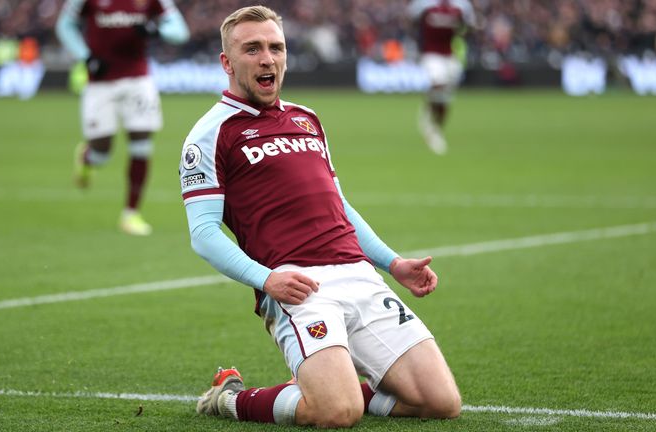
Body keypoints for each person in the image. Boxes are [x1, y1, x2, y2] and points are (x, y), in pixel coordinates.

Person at [179, 6, 461, 428]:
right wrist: (266, 279)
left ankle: (332, 382)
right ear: (227, 62)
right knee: (336, 412)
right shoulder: (210, 134)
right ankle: (229, 398)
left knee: (441, 402)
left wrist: (393, 262)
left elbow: (340, 208)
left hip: (360, 275)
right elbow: (203, 233)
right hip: (298, 286)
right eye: (251, 49)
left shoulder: (306, 119)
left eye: (276, 48)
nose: (266, 58)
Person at [56, 0, 189, 235]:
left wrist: (157, 30)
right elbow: (65, 26)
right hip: (100, 80)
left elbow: (180, 32)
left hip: (138, 80)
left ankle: (131, 214)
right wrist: (85, 57)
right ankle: (88, 158)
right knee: (101, 154)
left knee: (142, 144)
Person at [407, 0, 476, 155]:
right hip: (431, 54)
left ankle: (436, 126)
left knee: (445, 99)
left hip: (450, 55)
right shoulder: (423, 4)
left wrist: (460, 33)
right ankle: (430, 125)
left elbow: (469, 26)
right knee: (438, 84)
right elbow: (410, 20)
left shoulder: (462, 5)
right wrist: (418, 41)